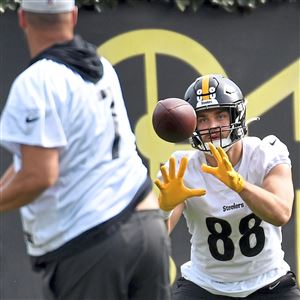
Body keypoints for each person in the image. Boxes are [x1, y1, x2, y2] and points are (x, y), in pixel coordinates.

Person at [0, 1, 171, 299]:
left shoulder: (35, 82)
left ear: (23, 18)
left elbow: (39, 175)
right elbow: (36, 157)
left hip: (93, 243)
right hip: (148, 227)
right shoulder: (101, 66)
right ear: (73, 15)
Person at [155, 74, 300, 299]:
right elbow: (155, 242)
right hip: (204, 286)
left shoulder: (266, 153)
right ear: (190, 124)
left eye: (220, 115)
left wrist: (240, 185)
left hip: (269, 283)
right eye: (202, 119)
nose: (212, 127)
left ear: (236, 115)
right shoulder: (182, 166)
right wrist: (163, 210)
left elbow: (281, 213)